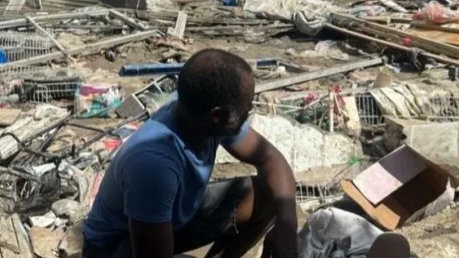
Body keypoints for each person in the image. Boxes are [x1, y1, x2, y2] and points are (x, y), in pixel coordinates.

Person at [83, 49, 298, 258]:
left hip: (167, 222)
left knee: (267, 195)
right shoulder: (155, 165)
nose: (249, 111)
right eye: (245, 109)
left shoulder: (197, 111)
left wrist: (287, 226)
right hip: (115, 246)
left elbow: (271, 159)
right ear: (217, 115)